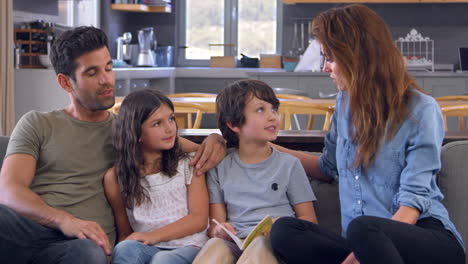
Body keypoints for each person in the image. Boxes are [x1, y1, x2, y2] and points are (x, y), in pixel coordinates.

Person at [0, 26, 225, 264]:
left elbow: (185, 145)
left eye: (108, 67)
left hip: (82, 246)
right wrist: (64, 220)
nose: (106, 79)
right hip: (30, 231)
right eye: (92, 73)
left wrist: (216, 139)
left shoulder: (130, 130)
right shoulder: (37, 123)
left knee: (89, 254)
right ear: (65, 82)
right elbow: (9, 190)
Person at [269, 4, 466, 264]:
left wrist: (360, 252)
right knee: (285, 231)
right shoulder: (344, 104)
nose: (324, 68)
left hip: (423, 237)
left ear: (356, 57)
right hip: (366, 245)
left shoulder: (420, 109)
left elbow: (412, 204)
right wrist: (267, 149)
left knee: (363, 228)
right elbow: (328, 167)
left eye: (330, 58)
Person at [192, 80, 318, 264]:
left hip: (277, 242)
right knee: (215, 246)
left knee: (260, 245)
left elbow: (309, 221)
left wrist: (282, 226)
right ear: (234, 124)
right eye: (261, 110)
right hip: (236, 242)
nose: (272, 116)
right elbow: (215, 225)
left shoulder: (290, 164)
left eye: (274, 109)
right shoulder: (219, 168)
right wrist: (218, 230)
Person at [105, 89, 209, 264]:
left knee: (163, 260)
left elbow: (199, 219)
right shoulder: (115, 177)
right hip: (147, 245)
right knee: (125, 249)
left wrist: (152, 236)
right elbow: (125, 233)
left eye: (171, 119)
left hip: (189, 245)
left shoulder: (188, 164)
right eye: (157, 124)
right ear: (135, 132)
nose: (169, 128)